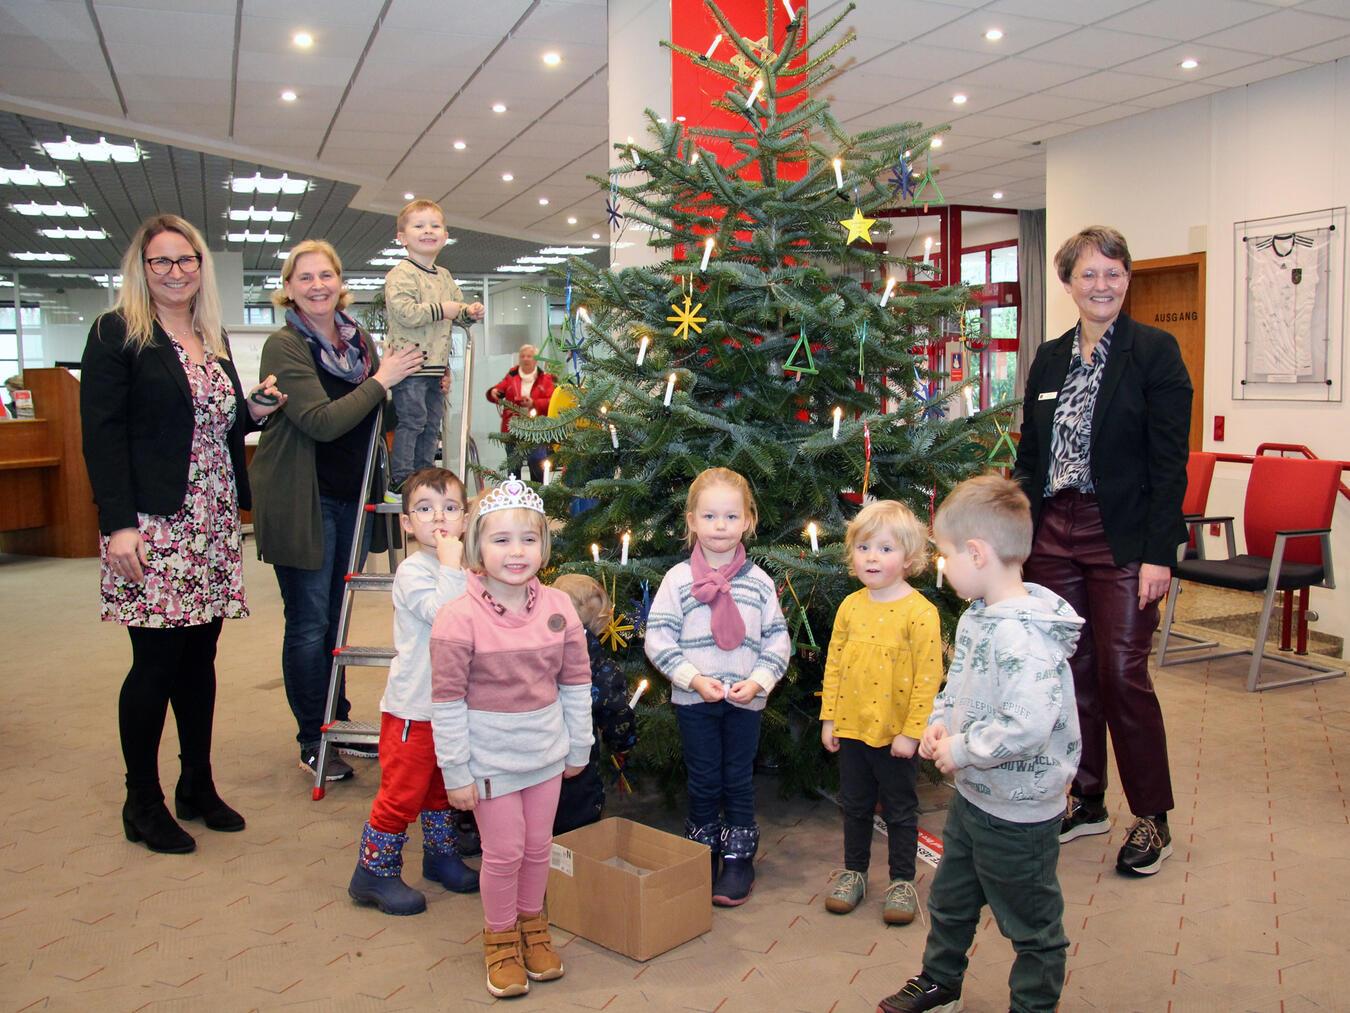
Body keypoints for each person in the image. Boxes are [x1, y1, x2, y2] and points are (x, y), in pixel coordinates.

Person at [80, 214, 287, 854]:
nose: (175, 272)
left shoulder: (210, 335)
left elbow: (211, 428)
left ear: (202, 266)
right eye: (161, 262)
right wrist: (116, 524)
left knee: (201, 659)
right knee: (155, 664)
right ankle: (140, 800)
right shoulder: (118, 333)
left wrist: (250, 411)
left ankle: (196, 784)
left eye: (186, 260)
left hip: (213, 517)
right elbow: (103, 435)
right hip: (151, 523)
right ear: (141, 270)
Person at [1015, 225, 1192, 878]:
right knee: (1073, 672)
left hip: (1122, 533)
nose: (1103, 285)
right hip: (1053, 531)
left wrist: (1158, 552)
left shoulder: (1155, 353)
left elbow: (1170, 462)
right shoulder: (1050, 357)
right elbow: (1030, 455)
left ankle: (1152, 815)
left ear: (1127, 280)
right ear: (1067, 282)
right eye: (1089, 274)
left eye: (1114, 273)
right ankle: (1086, 797)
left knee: (1122, 672)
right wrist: (1017, 536)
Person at [876, 475, 1084, 1013]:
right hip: (974, 796)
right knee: (951, 900)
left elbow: (1029, 723)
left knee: (1031, 922)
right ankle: (941, 981)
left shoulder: (1025, 636)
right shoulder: (977, 615)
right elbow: (958, 683)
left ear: (977, 552)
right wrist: (941, 723)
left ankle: (1034, 1005)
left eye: (946, 556)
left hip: (1019, 810)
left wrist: (964, 749)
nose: (943, 568)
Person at [249, 239, 424, 782]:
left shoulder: (358, 339)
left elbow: (375, 409)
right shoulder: (285, 346)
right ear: (289, 288)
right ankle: (313, 737)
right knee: (309, 623)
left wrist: (409, 385)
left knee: (337, 620)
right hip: (303, 498)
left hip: (351, 496)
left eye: (326, 274)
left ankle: (337, 723)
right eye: (305, 278)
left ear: (339, 280)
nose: (318, 285)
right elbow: (323, 421)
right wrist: (381, 380)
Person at [428, 479, 592, 998]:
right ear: (477, 546)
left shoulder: (559, 607)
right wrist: (456, 772)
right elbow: (447, 703)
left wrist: (579, 745)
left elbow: (575, 681)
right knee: (504, 853)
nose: (516, 552)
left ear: (544, 545)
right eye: (500, 540)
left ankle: (532, 926)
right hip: (490, 761)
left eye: (528, 539)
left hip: (545, 754)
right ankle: (499, 940)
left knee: (538, 846)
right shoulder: (457, 618)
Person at [644, 467, 791, 907]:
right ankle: (702, 849)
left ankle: (739, 856)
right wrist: (691, 678)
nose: (720, 527)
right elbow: (658, 638)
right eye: (709, 517)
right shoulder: (678, 580)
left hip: (745, 700)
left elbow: (778, 639)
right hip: (695, 699)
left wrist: (759, 681)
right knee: (705, 778)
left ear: (748, 520)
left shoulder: (760, 583)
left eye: (731, 517)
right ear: (691, 521)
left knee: (737, 778)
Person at [347, 467, 480, 916]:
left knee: (442, 787)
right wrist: (448, 564)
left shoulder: (465, 570)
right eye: (424, 509)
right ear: (406, 523)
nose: (438, 519)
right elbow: (444, 618)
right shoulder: (413, 571)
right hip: (413, 710)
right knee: (403, 791)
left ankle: (441, 855)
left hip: (453, 708)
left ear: (465, 519)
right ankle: (373, 872)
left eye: (449, 509)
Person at [819, 500, 943, 927]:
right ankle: (854, 872)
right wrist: (829, 717)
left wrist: (913, 732)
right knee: (853, 804)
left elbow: (929, 678)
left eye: (886, 549)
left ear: (909, 559)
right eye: (864, 547)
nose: (873, 557)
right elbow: (834, 663)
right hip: (852, 728)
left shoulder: (920, 613)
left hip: (895, 736)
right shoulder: (850, 606)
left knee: (900, 808)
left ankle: (902, 880)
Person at [382, 199, 485, 503]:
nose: (428, 231)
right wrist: (446, 309)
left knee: (431, 424)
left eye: (434, 226)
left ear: (445, 234)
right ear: (402, 237)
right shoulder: (400, 274)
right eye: (419, 226)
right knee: (412, 420)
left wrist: (469, 312)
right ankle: (400, 480)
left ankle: (424, 476)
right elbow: (405, 313)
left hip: (436, 368)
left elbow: (457, 311)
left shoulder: (444, 276)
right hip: (410, 366)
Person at [550, 574, 638, 835]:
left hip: (535, 751)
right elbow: (617, 712)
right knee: (579, 815)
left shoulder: (537, 652)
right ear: (601, 622)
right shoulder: (602, 668)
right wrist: (624, 743)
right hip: (579, 758)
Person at [485, 344, 554, 482]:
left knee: (537, 465)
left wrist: (534, 403)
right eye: (522, 356)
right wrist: (494, 392)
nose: (526, 359)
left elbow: (551, 401)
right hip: (512, 429)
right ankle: (514, 498)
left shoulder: (545, 378)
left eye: (529, 356)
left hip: (536, 430)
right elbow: (498, 391)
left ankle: (538, 496)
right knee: (513, 469)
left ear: (536, 359)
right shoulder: (511, 376)